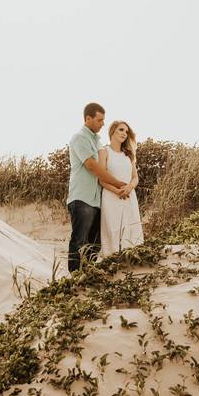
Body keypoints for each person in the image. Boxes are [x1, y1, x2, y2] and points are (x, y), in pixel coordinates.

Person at [66, 103, 127, 273]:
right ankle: (75, 277)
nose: (102, 124)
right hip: (82, 198)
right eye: (99, 120)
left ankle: (88, 272)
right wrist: (116, 182)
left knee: (95, 242)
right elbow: (92, 166)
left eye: (103, 120)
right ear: (88, 119)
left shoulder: (97, 141)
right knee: (79, 240)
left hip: (96, 200)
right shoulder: (79, 138)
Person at [98, 121, 144, 255]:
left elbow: (135, 177)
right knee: (113, 230)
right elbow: (101, 179)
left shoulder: (129, 154)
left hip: (129, 197)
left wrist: (129, 187)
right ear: (112, 131)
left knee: (131, 231)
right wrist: (117, 190)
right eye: (121, 130)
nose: (124, 133)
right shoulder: (104, 151)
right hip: (111, 197)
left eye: (126, 131)